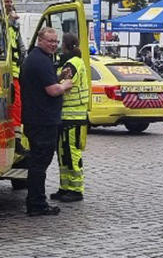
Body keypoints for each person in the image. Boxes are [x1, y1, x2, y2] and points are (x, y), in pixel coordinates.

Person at [20, 26, 74, 216]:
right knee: (39, 164)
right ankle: (37, 204)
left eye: (56, 42)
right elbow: (52, 90)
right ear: (40, 41)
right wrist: (65, 84)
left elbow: (44, 83)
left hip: (37, 119)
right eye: (50, 41)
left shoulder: (37, 59)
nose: (54, 45)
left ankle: (36, 201)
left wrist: (57, 77)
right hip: (42, 121)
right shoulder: (40, 61)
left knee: (37, 163)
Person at [52, 33, 89, 202]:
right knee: (63, 153)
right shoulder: (71, 61)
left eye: (61, 43)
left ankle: (76, 189)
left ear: (66, 45)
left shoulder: (73, 63)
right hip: (67, 116)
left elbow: (65, 85)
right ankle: (65, 187)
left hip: (74, 116)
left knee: (72, 153)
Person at [4, 0, 25, 154]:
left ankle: (16, 139)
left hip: (15, 71)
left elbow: (20, 46)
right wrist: (10, 22)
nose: (9, 4)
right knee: (10, 106)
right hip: (5, 70)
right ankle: (13, 139)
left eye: (11, 1)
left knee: (16, 106)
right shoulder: (2, 20)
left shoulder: (13, 23)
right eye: (6, 1)